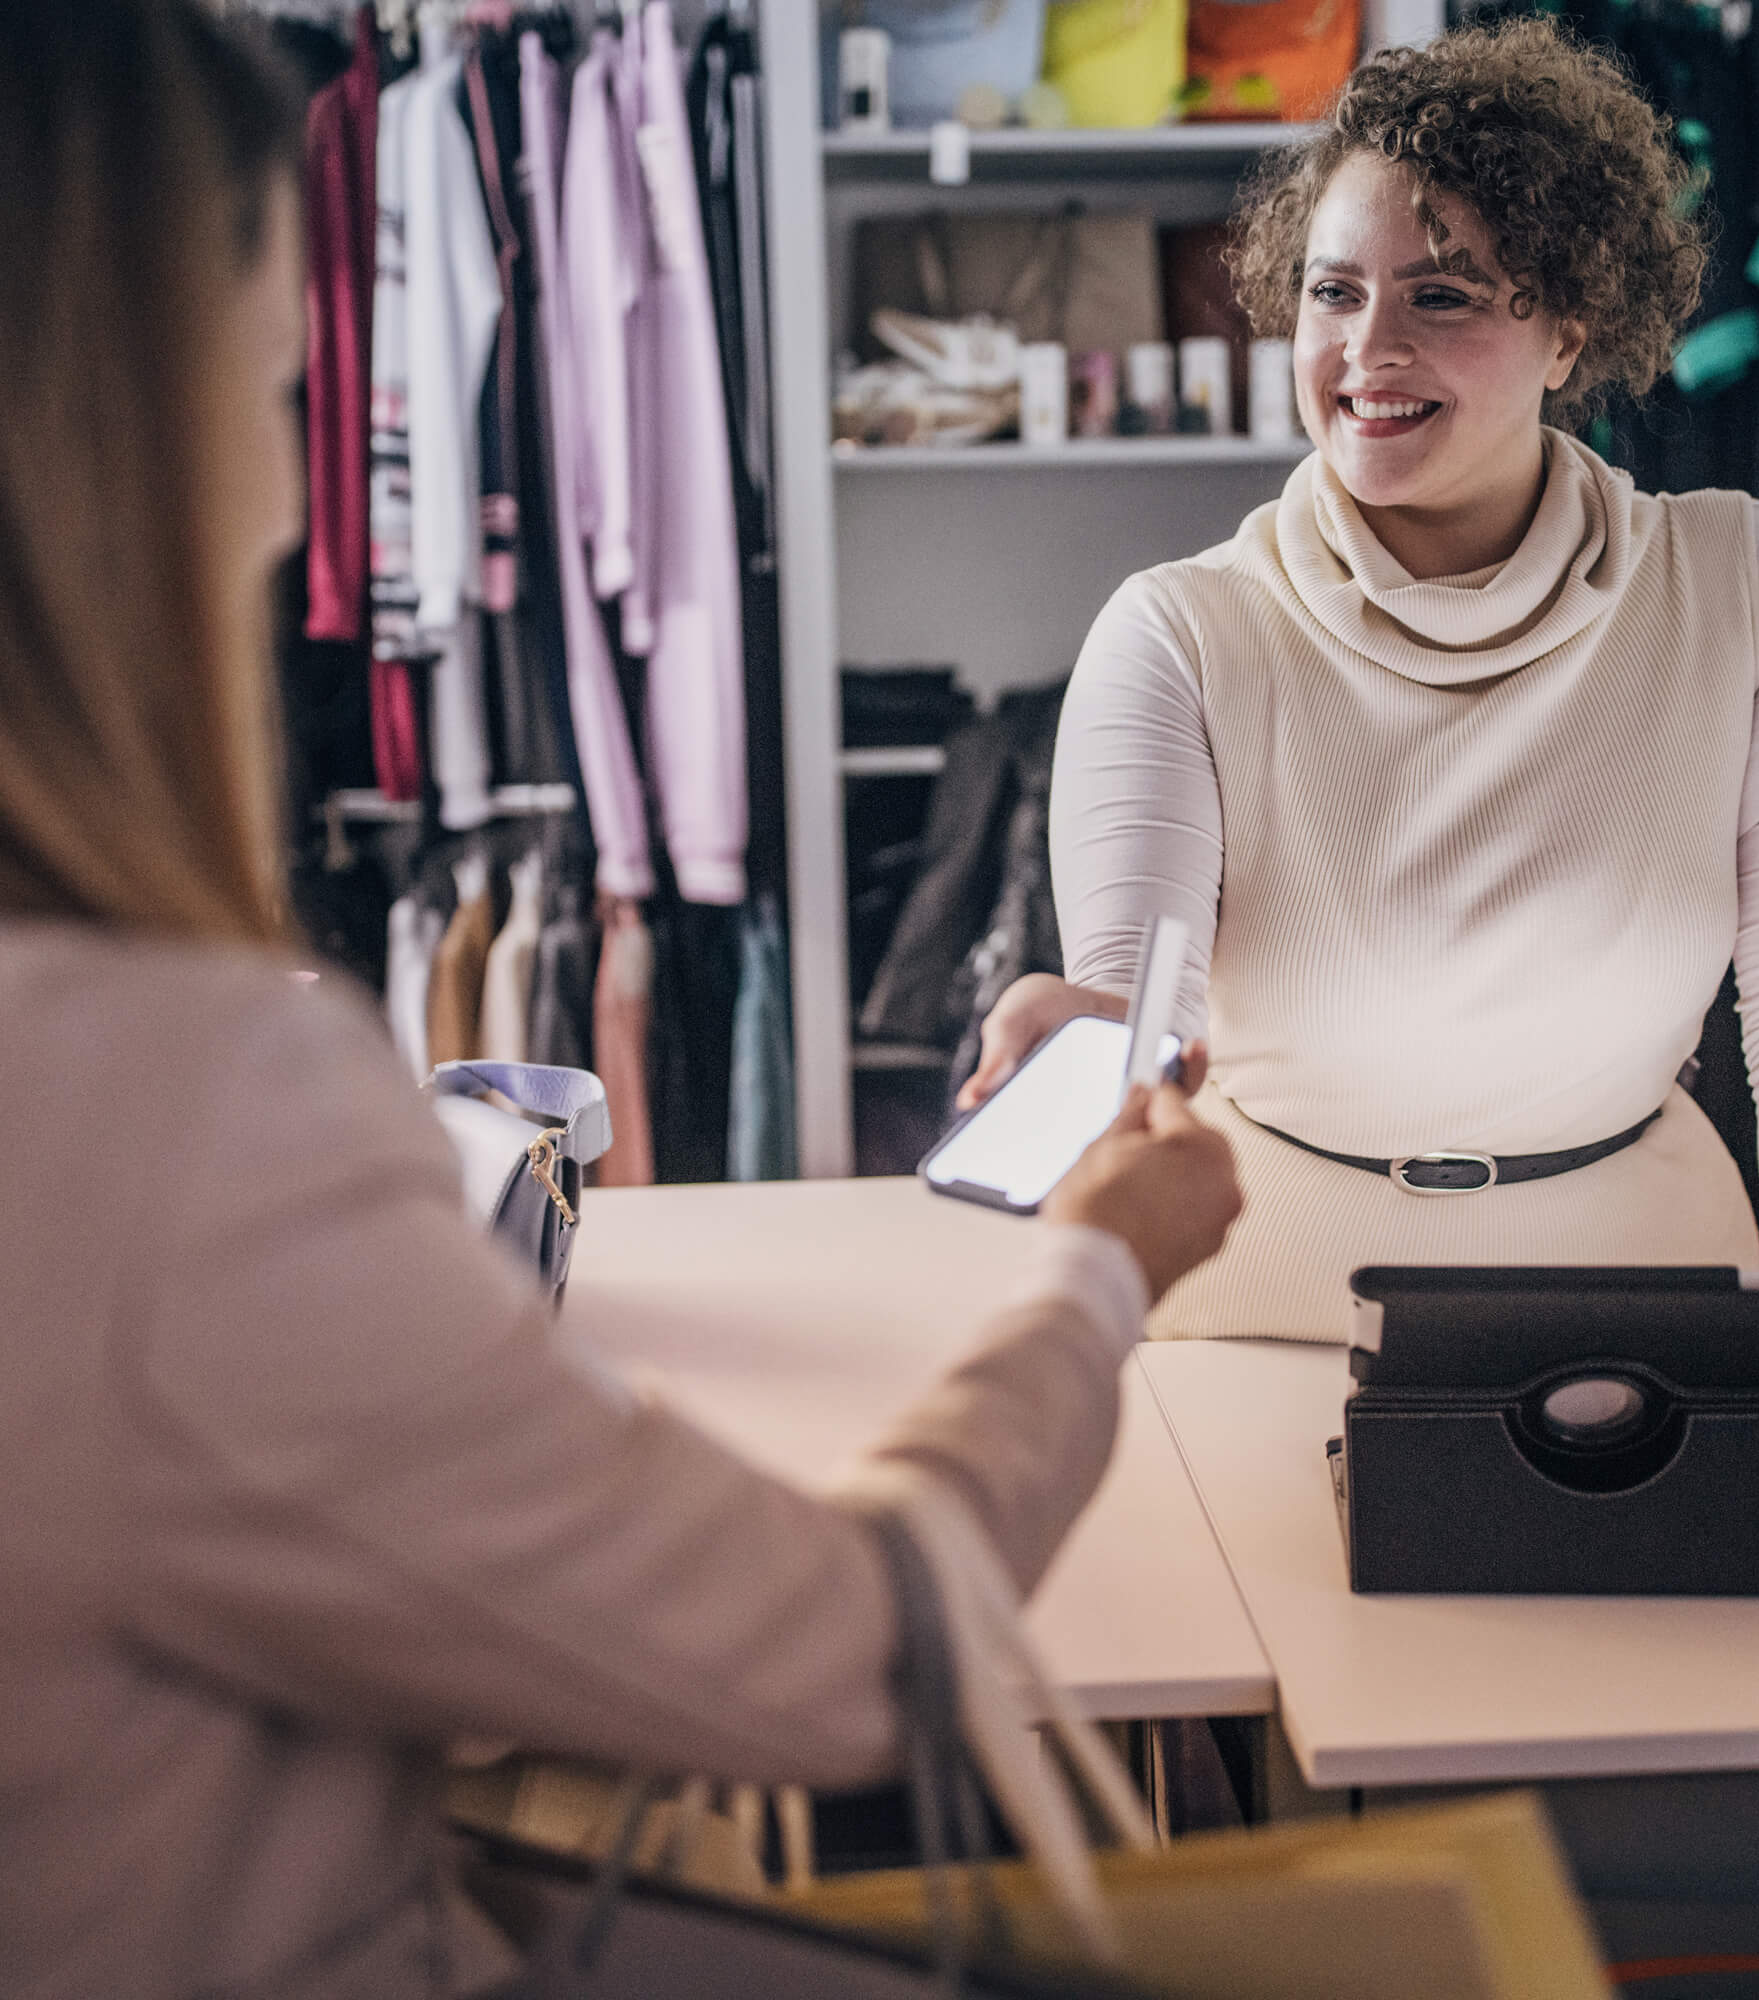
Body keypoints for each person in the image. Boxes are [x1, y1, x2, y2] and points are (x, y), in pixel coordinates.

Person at [0, 7, 1241, 1996]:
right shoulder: (170, 1112)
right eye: (279, 373)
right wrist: (1095, 1266)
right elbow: (845, 1654)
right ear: (124, 430)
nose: (299, 454)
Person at [962, 18, 1759, 1535]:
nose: (1365, 355)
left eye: (1440, 297)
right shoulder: (1181, 632)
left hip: (1664, 1323)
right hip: (1253, 1324)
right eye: (1334, 292)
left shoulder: (1741, 584)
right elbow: (1140, 1010)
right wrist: (1084, 1032)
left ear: (1572, 331)